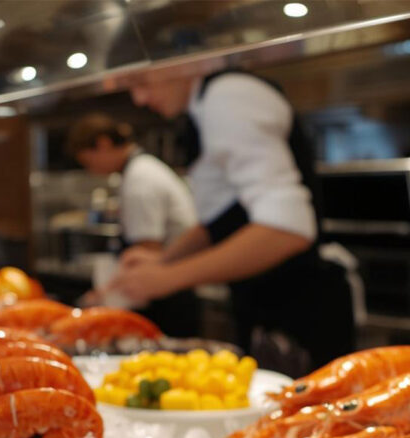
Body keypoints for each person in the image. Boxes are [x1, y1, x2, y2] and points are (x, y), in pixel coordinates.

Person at [111, 69, 355, 373]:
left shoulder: (227, 97)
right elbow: (219, 220)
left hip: (300, 312)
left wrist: (168, 278)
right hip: (262, 305)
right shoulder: (202, 107)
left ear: (187, 60)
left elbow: (288, 229)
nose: (139, 98)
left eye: (141, 81)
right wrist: (162, 260)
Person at [65, 113, 199, 337]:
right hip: (170, 285)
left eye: (87, 160)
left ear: (103, 144)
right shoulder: (140, 170)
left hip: (169, 296)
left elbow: (146, 253)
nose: (91, 170)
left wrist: (105, 295)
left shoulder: (140, 179)